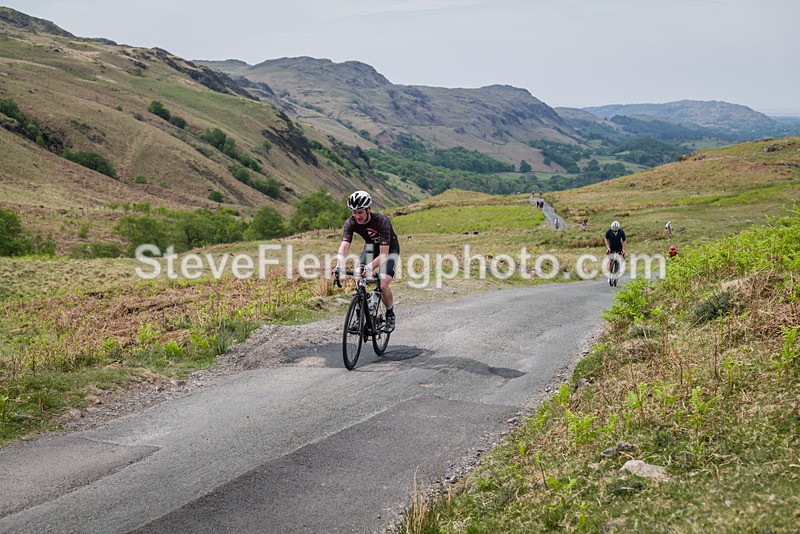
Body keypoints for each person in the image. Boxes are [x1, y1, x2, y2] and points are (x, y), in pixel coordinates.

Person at [333, 191, 399, 332]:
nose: (357, 216)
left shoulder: (382, 221)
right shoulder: (351, 222)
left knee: (383, 284)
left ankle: (390, 314)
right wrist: (338, 266)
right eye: (354, 212)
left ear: (369, 209)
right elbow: (344, 245)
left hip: (388, 249)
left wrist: (370, 267)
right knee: (358, 276)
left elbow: (383, 255)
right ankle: (359, 319)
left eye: (360, 212)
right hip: (370, 248)